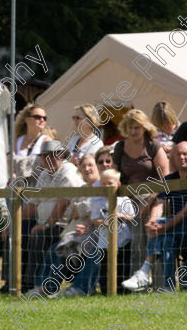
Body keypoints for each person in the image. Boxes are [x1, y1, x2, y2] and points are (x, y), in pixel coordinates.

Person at [122, 141, 187, 292]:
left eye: (185, 154)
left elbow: (185, 211)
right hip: (177, 226)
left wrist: (163, 226)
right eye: (178, 154)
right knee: (166, 240)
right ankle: (166, 287)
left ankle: (145, 271)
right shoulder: (171, 179)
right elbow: (160, 202)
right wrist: (153, 221)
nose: (182, 157)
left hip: (182, 224)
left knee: (164, 232)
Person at [29, 154, 96, 297]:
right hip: (74, 232)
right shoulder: (82, 188)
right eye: (83, 166)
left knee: (61, 249)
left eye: (90, 165)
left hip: (91, 234)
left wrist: (81, 209)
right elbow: (72, 211)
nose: (87, 169)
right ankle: (40, 286)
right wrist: (79, 209)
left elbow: (94, 209)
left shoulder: (103, 186)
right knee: (53, 249)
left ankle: (49, 288)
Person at [113, 109, 169, 274]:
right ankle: (137, 287)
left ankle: (160, 286)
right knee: (138, 244)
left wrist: (152, 200)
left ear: (144, 127)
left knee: (154, 239)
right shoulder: (120, 147)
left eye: (136, 127)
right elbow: (114, 173)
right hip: (131, 200)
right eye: (129, 127)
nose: (132, 131)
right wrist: (115, 182)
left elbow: (165, 178)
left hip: (157, 198)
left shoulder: (153, 146)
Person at [24, 141, 85, 290]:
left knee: (40, 236)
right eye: (45, 156)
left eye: (54, 156)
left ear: (62, 156)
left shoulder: (67, 170)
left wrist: (45, 225)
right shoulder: (44, 174)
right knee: (19, 231)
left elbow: (63, 204)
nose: (49, 159)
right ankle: (12, 283)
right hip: (47, 223)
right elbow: (33, 204)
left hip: (64, 225)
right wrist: (13, 223)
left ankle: (33, 284)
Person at [64, 169, 135, 297]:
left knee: (122, 266)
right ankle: (106, 290)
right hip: (104, 242)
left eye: (110, 183)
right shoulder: (97, 201)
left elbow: (131, 216)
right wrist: (103, 223)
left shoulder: (124, 199)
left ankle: (122, 290)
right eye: (103, 184)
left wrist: (120, 215)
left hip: (123, 240)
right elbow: (94, 220)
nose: (106, 187)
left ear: (118, 184)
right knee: (104, 268)